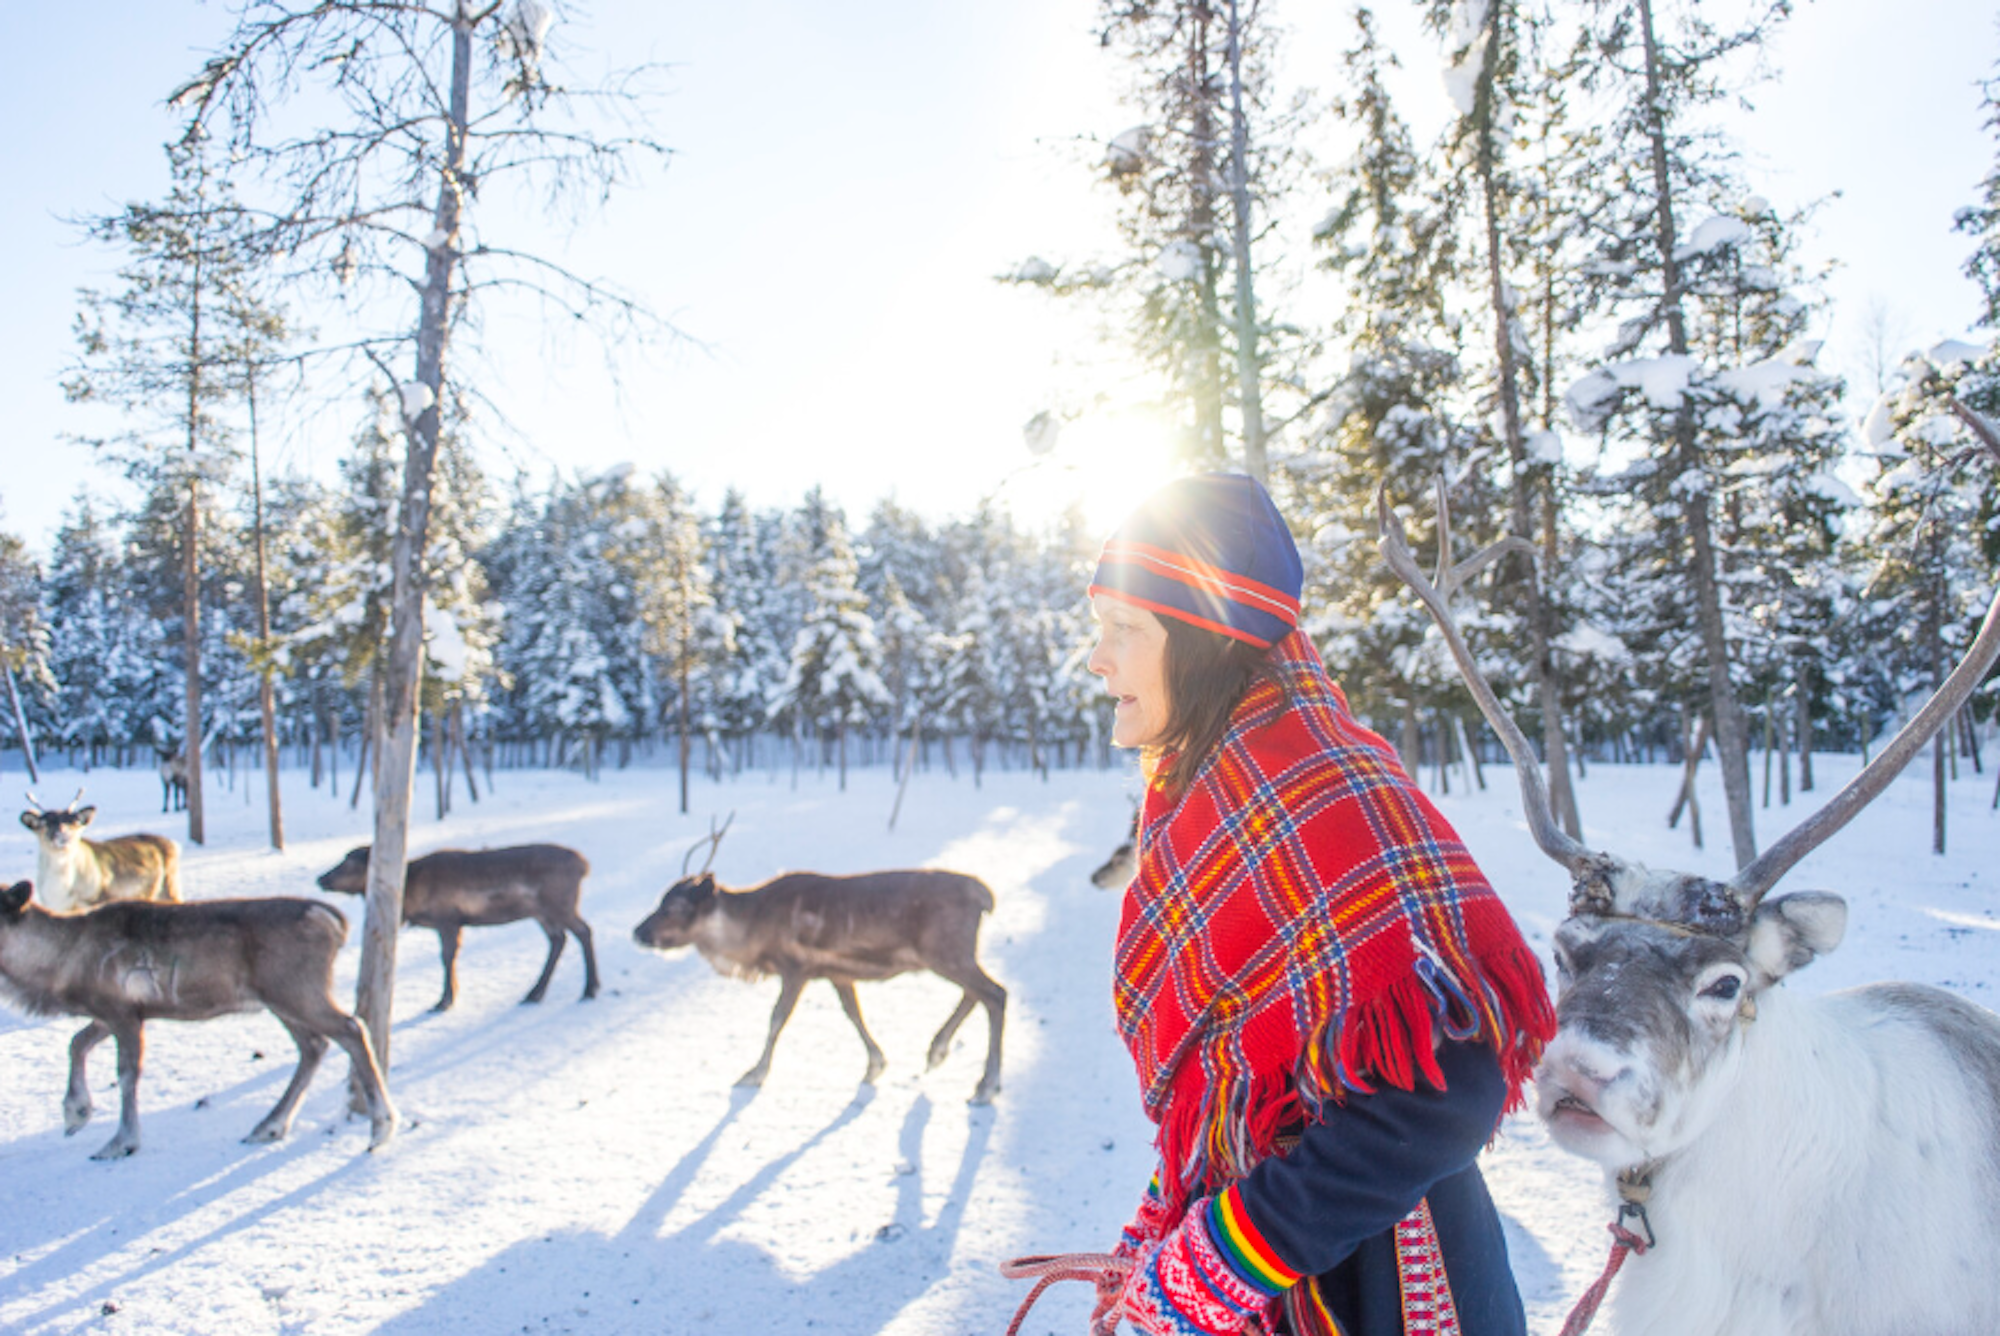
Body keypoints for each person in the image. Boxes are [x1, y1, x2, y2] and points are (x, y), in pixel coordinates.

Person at [1081, 472, 1556, 1336]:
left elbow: (1447, 1085)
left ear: (1206, 640)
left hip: (1384, 1291)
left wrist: (1224, 1256)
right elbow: (1231, 1071)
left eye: (1123, 630)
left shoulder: (1322, 786)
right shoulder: (1207, 793)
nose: (1097, 657)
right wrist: (1172, 1206)